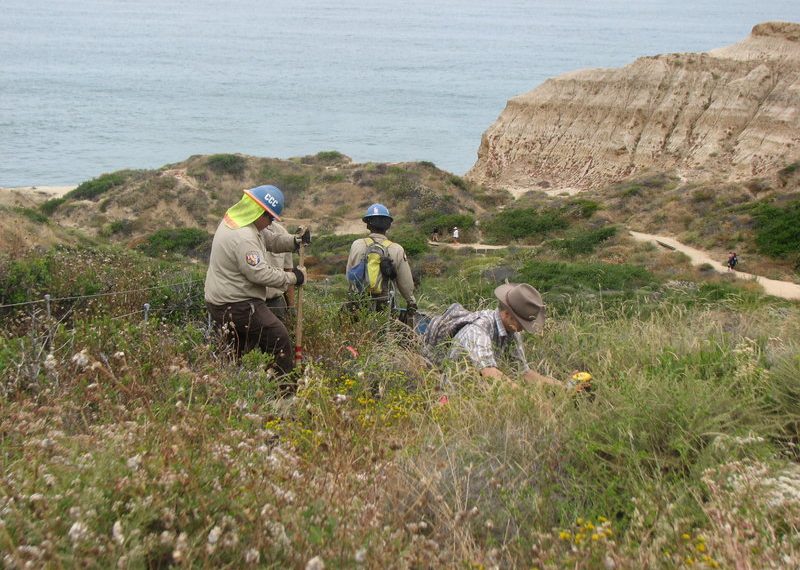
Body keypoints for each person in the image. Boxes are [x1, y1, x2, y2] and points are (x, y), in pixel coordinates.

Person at [204, 185, 310, 380]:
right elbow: (259, 274)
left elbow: (268, 239)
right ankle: (285, 395)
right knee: (279, 339)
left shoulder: (237, 220)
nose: (270, 223)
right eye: (269, 218)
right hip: (239, 304)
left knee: (236, 352)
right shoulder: (243, 237)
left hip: (223, 301)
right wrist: (294, 277)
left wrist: (294, 242)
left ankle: (234, 391)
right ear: (258, 212)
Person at [421, 282, 564, 389]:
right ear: (507, 314)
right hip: (454, 394)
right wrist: (531, 402)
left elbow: (523, 373)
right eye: (522, 322)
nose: (523, 329)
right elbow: (489, 373)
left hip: (477, 390)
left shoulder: (512, 331)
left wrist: (562, 386)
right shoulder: (477, 330)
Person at [345, 203, 417, 314]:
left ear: (368, 225)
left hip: (358, 303)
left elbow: (350, 275)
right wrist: (411, 301)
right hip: (384, 305)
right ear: (388, 225)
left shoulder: (356, 245)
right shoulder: (396, 249)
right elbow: (405, 282)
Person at [261, 220, 295, 323]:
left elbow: (288, 270)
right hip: (251, 301)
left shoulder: (282, 233)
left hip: (275, 302)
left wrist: (291, 306)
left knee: (280, 337)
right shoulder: (247, 233)